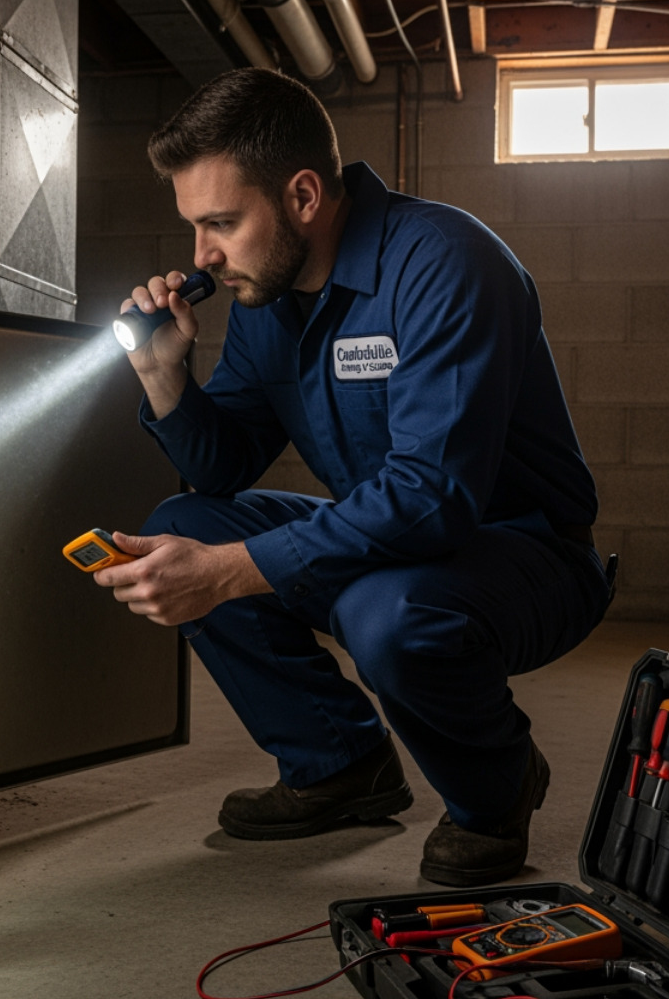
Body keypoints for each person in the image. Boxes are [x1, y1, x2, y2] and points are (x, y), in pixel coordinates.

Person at [94, 67, 611, 887]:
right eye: (194, 227)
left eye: (222, 222)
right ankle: (338, 767)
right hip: (399, 542)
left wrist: (232, 573)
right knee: (186, 527)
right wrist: (165, 377)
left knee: (386, 614)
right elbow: (221, 470)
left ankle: (495, 793)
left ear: (302, 196)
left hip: (525, 555)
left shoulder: (444, 261)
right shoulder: (268, 301)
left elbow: (434, 499)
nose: (202, 257)